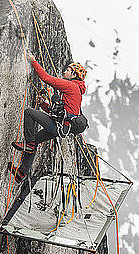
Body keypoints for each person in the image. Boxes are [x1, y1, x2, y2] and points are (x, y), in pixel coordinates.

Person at [8, 51, 87, 182]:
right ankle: (22, 173)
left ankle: (29, 145)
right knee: (35, 140)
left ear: (74, 75)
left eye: (68, 70)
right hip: (61, 128)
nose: (64, 72)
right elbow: (59, 112)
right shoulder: (75, 90)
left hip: (58, 127)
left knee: (29, 112)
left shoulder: (71, 86)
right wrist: (43, 104)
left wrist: (33, 61)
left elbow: (46, 78)